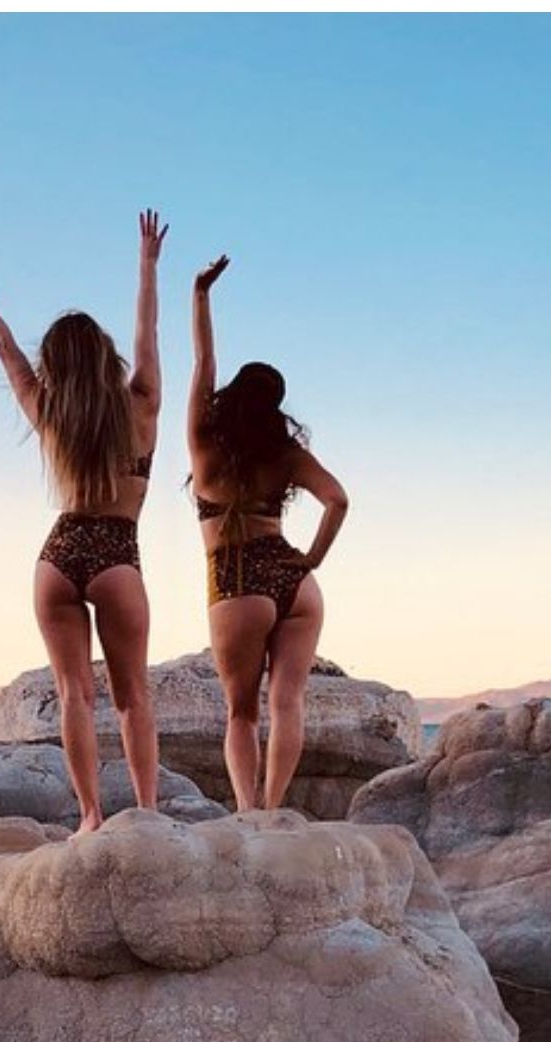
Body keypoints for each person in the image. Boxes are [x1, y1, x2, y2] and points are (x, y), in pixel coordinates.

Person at [0, 212, 168, 834]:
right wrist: (147, 265)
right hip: (115, 553)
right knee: (132, 699)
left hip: (58, 554)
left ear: (56, 364)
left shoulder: (47, 408)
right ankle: (147, 813)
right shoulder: (142, 403)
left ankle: (90, 816)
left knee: (75, 694)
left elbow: (2, 346)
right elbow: (148, 329)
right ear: (105, 357)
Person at [186, 254, 350, 811]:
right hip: (292, 579)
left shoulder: (205, 442)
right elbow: (338, 500)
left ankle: (247, 813)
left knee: (241, 712)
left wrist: (201, 296)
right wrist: (313, 561)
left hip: (236, 581)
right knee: (288, 702)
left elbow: (202, 363)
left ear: (233, 395)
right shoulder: (287, 454)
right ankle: (276, 807)